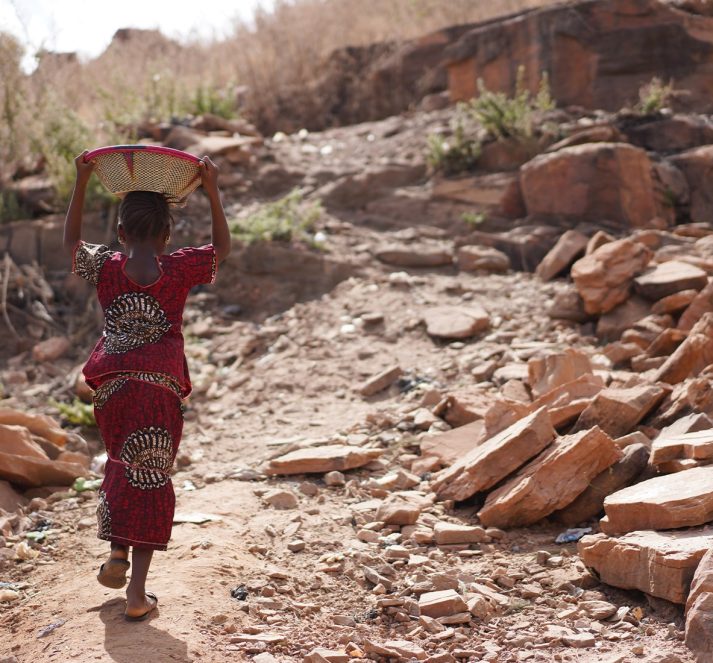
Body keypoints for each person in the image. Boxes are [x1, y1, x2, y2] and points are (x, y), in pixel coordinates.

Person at [63, 151, 231, 621]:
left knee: (121, 462)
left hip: (112, 386)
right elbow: (222, 250)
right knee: (151, 472)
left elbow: (71, 242)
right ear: (168, 235)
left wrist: (81, 179)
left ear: (119, 234)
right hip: (159, 385)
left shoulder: (107, 266)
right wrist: (213, 191)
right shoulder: (178, 268)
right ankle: (137, 592)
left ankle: (117, 550)